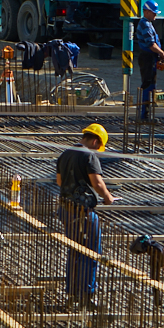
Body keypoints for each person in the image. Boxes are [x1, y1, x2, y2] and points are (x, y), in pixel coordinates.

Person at [56, 123, 114, 307]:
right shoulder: (89, 155)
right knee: (90, 253)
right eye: (99, 146)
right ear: (96, 141)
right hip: (84, 212)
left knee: (74, 251)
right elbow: (97, 182)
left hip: (66, 209)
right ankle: (86, 295)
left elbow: (59, 181)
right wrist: (108, 197)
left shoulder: (65, 154)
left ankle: (72, 293)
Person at [133, 0, 164, 122]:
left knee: (151, 85)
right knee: (148, 85)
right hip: (147, 57)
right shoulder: (145, 25)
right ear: (146, 12)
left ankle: (146, 114)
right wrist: (161, 53)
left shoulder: (148, 23)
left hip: (150, 58)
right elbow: (151, 44)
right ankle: (144, 115)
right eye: (153, 13)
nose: (155, 15)